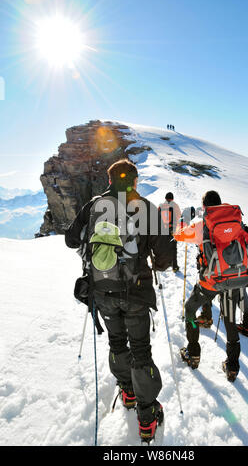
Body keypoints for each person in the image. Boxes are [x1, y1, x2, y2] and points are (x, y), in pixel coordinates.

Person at [65, 159, 172, 442]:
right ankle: (147, 417)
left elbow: (71, 240)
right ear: (135, 182)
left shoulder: (94, 205)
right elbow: (164, 260)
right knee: (140, 350)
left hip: (102, 293)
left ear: (109, 181)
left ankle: (126, 392)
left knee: (116, 342)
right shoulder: (146, 208)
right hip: (136, 293)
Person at [174, 190, 248, 382]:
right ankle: (232, 367)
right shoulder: (236, 223)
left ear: (204, 207)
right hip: (234, 279)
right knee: (230, 321)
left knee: (190, 308)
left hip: (210, 283)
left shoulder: (202, 225)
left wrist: (184, 223)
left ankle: (193, 353)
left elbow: (179, 236)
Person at [158, 192, 181, 272]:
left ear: (165, 198)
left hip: (162, 231)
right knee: (173, 249)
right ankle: (174, 266)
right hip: (172, 230)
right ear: (172, 198)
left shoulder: (161, 206)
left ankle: (162, 265)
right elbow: (179, 217)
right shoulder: (175, 205)